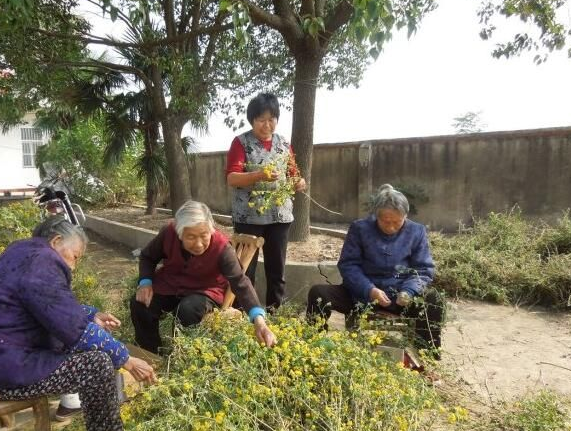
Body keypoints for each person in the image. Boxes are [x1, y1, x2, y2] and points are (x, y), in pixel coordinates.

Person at [0, 217, 156, 431]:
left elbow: (46, 306)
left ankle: (70, 404)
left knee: (88, 341)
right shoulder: (43, 260)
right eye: (75, 256)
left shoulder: (22, 252)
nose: (73, 266)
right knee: (98, 364)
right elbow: (73, 329)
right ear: (57, 241)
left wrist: (91, 315)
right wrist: (126, 359)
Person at [306, 184, 444, 358]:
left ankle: (428, 356)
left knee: (434, 300)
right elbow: (349, 265)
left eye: (397, 222)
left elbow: (423, 269)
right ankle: (313, 349)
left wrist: (409, 291)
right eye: (386, 222)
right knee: (319, 293)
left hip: (400, 297)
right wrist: (369, 290)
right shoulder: (360, 229)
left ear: (405, 216)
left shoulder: (416, 231)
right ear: (376, 216)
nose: (392, 227)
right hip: (361, 296)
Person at [130, 200, 277, 353]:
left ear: (210, 230)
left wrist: (259, 320)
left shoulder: (222, 247)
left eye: (204, 235)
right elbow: (147, 256)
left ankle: (181, 354)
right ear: (179, 234)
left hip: (205, 290)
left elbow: (240, 282)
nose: (199, 244)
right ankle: (150, 353)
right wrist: (145, 282)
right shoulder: (169, 232)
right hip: (170, 285)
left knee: (187, 310)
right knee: (140, 304)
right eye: (191, 237)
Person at [225, 92, 306, 309]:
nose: (267, 125)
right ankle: (243, 314)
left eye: (272, 119)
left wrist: (299, 182)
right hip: (248, 217)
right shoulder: (241, 143)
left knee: (276, 270)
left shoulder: (283, 144)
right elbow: (232, 178)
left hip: (279, 217)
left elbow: (293, 174)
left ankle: (275, 311)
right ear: (252, 120)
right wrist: (259, 175)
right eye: (261, 120)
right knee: (244, 270)